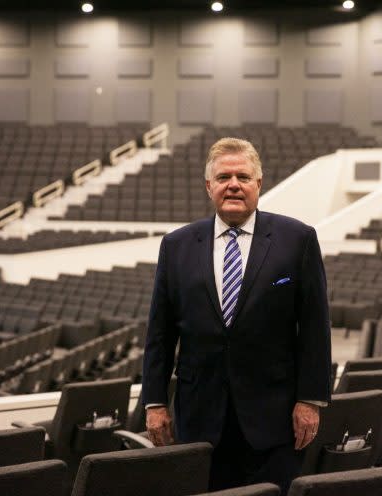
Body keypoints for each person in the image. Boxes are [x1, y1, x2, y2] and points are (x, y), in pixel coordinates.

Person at [141, 137, 332, 494]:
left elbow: (315, 329)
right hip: (198, 420)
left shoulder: (298, 239)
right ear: (209, 185)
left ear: (259, 184)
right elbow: (160, 333)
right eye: (224, 176)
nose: (233, 185)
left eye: (243, 177)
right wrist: (154, 402)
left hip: (274, 421)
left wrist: (310, 400)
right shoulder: (176, 246)